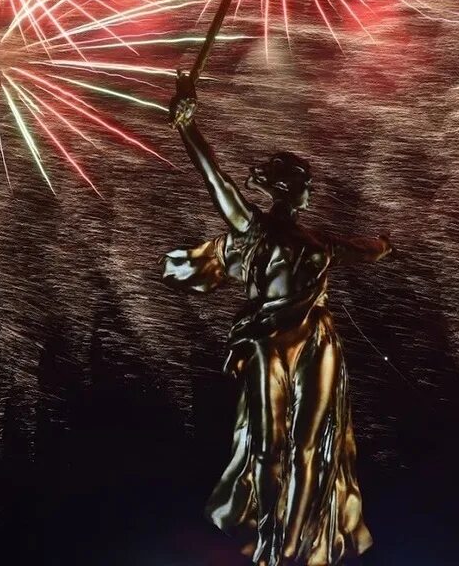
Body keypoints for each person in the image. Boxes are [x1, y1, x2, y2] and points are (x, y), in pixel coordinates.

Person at [161, 70, 394, 565]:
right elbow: (214, 180)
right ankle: (270, 539)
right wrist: (187, 127)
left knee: (310, 444)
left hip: (318, 341)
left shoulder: (321, 244)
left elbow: (365, 250)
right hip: (271, 339)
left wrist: (384, 245)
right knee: (270, 445)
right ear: (287, 189)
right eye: (304, 184)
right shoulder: (254, 226)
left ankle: (296, 540)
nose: (310, 191)